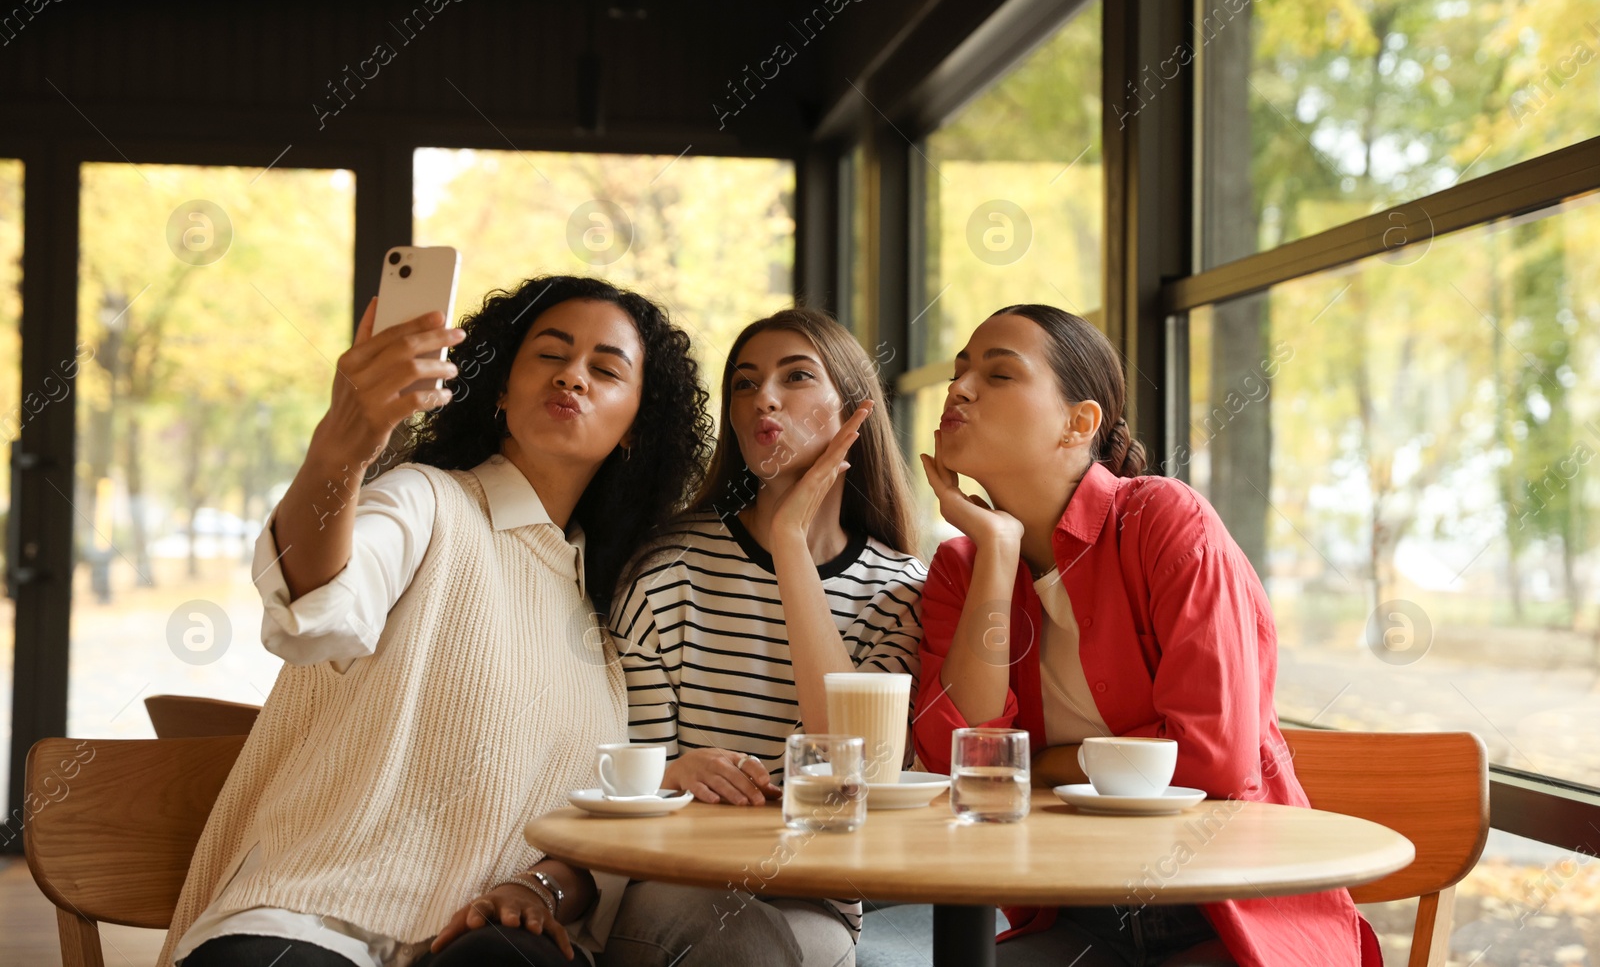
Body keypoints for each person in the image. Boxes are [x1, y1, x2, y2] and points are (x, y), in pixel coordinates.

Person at [161, 275, 713, 967]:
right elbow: (314, 612)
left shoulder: (602, 611)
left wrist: (537, 885)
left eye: (605, 369)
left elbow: (590, 837)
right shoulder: (426, 501)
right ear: (502, 388)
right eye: (550, 354)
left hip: (487, 943)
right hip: (308, 915)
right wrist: (343, 446)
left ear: (635, 425)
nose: (573, 376)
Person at [911, 304, 1382, 967]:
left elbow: (1213, 755)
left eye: (998, 374)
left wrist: (1043, 764)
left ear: (1079, 424)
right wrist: (996, 548)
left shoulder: (1164, 520)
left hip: (1229, 923)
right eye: (960, 371)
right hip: (1080, 923)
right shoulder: (963, 568)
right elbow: (966, 768)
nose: (959, 388)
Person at [603, 309, 925, 967]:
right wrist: (671, 772)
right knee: (745, 946)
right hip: (670, 878)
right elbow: (624, 774)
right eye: (744, 384)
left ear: (853, 413)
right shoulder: (667, 569)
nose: (763, 399)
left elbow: (853, 769)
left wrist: (788, 544)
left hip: (816, 894)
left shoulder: (899, 588)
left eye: (795, 376)